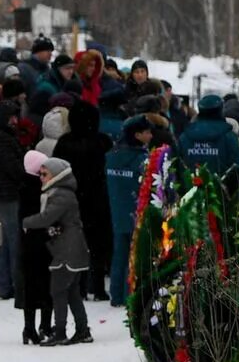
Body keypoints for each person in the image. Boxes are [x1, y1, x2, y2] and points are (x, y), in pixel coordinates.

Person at [23, 155, 91, 346]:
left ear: (57, 176)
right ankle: (82, 330)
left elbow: (46, 217)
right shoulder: (62, 193)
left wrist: (25, 222)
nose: (41, 177)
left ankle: (60, 332)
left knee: (58, 291)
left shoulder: (60, 195)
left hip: (67, 251)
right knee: (72, 293)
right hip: (72, 249)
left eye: (45, 174)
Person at [55, 99, 113, 301]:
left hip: (72, 200)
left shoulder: (64, 143)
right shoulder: (102, 142)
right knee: (98, 245)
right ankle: (97, 286)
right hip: (97, 200)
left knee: (74, 244)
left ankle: (78, 287)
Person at [104, 116, 154, 306]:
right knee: (135, 256)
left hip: (117, 211)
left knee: (119, 255)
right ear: (137, 135)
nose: (150, 135)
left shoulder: (111, 156)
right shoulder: (143, 159)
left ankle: (116, 294)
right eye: (147, 132)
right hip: (137, 212)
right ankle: (130, 294)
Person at [0, 102, 29, 300]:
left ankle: (5, 284)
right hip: (7, 195)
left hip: (4, 193)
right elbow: (13, 167)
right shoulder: (0, 138)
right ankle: (16, 285)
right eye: (12, 117)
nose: (15, 121)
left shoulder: (0, 135)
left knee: (7, 241)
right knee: (14, 241)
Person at [16, 148, 54, 342]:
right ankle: (45, 326)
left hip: (28, 245)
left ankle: (28, 328)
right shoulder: (42, 191)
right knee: (48, 285)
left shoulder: (23, 189)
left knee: (30, 286)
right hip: (44, 244)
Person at [180, 94, 239, 180]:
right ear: (220, 111)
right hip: (222, 191)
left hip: (188, 190)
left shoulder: (184, 137)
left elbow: (177, 167)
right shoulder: (229, 137)